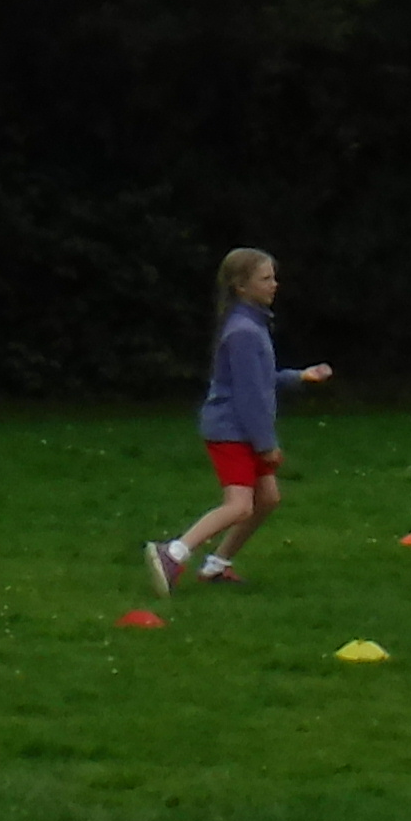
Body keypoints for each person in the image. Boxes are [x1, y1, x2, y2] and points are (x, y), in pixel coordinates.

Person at [144, 247, 331, 599]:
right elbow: (250, 397)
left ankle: (217, 565)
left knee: (268, 498)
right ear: (241, 287)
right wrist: (267, 446)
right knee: (240, 505)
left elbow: (260, 379)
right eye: (266, 278)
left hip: (243, 428)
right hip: (231, 431)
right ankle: (173, 553)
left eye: (273, 277)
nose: (274, 284)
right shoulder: (244, 331)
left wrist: (300, 377)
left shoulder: (251, 325)